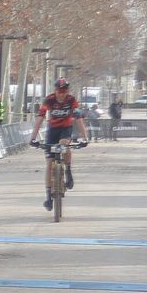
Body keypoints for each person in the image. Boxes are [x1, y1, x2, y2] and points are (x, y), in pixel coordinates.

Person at [28, 78, 89, 209]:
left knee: (64, 144)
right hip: (52, 130)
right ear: (55, 91)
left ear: (68, 91)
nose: (61, 94)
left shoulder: (71, 100)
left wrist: (85, 138)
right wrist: (33, 138)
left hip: (65, 129)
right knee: (49, 163)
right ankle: (48, 197)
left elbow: (78, 119)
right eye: (59, 91)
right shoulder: (49, 99)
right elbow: (40, 118)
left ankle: (68, 170)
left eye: (64, 91)